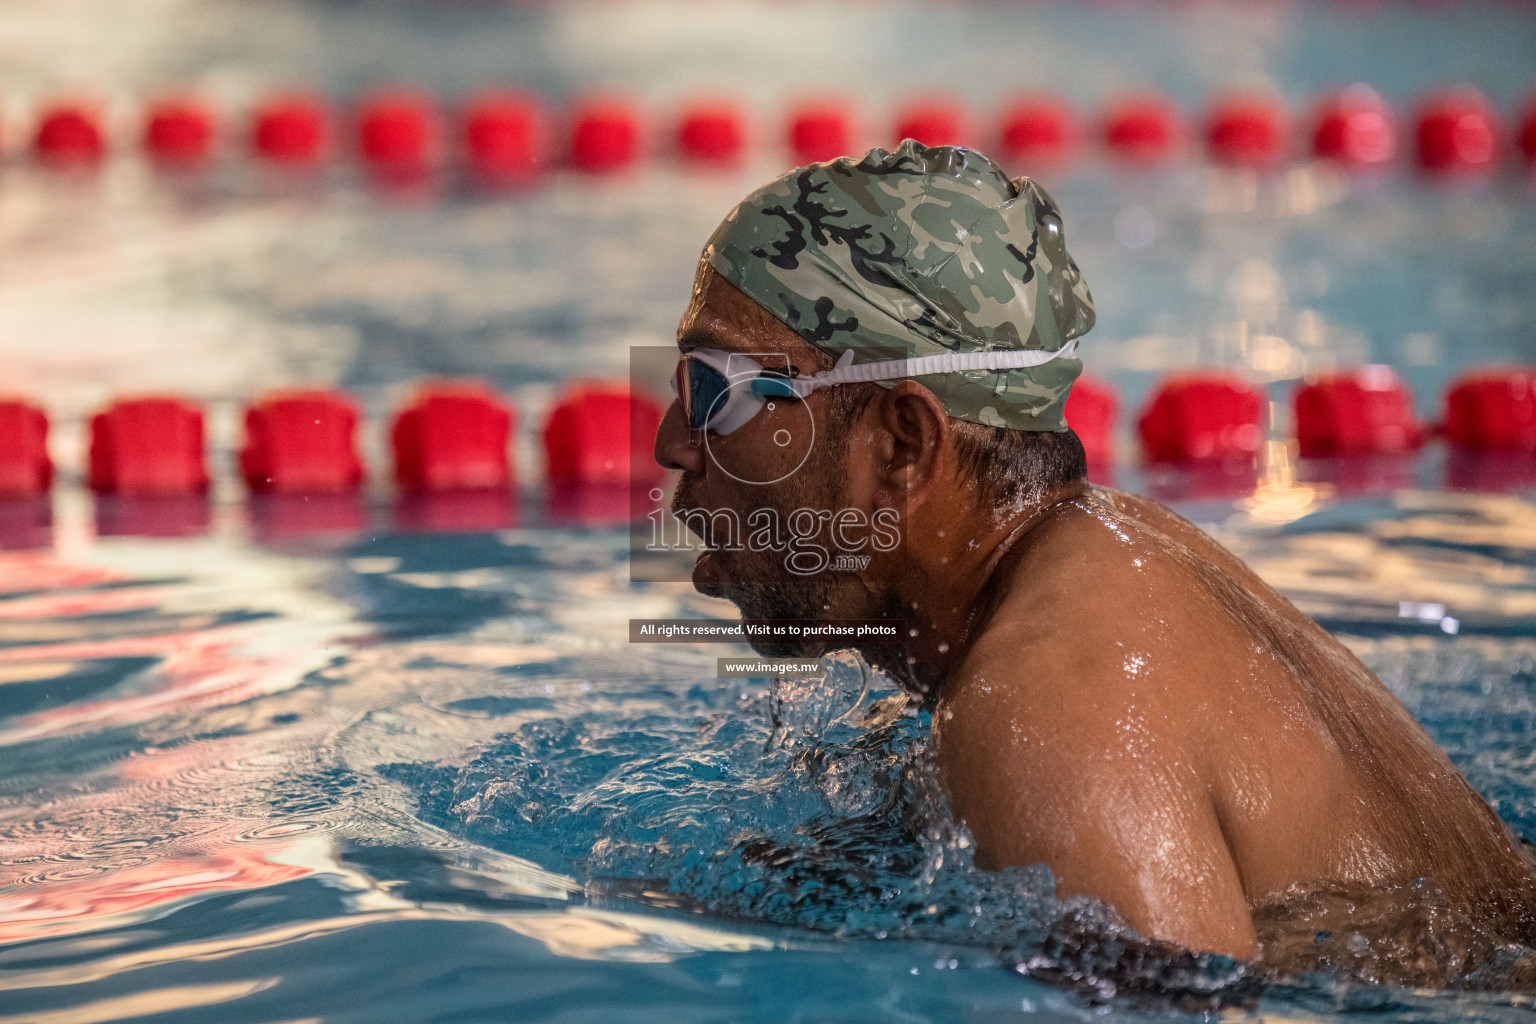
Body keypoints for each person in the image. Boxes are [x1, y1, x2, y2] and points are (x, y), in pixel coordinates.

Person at [652, 140, 1536, 979]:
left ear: (902, 444)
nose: (670, 445)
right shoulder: (1117, 555)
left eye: (714, 394)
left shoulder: (1043, 708)